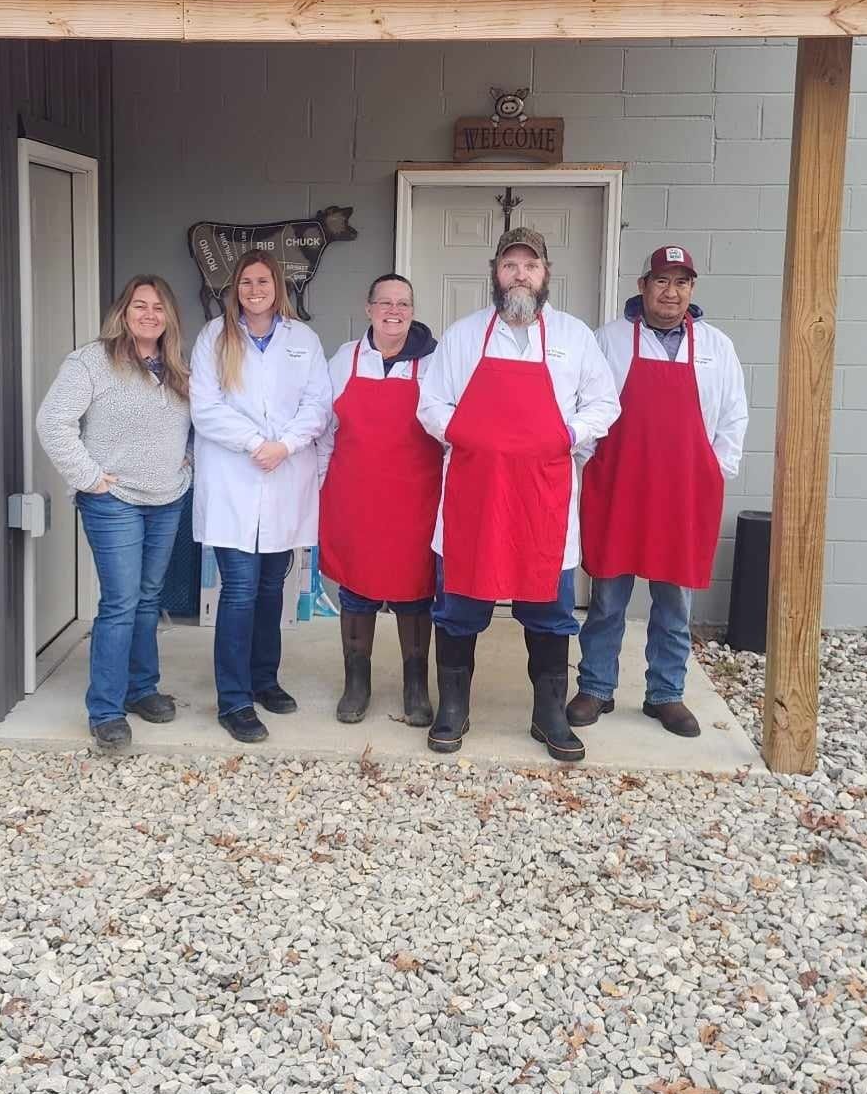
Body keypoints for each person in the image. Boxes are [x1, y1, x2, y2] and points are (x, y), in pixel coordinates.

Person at [418, 228, 620, 763]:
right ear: (495, 272)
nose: (520, 274)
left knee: (550, 611)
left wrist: (566, 436)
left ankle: (548, 712)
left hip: (545, 500)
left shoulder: (575, 338)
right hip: (474, 496)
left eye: (530, 265)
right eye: (511, 265)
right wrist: (465, 433)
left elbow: (605, 404)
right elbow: (430, 404)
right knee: (459, 606)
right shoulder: (463, 336)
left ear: (546, 273)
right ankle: (454, 707)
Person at [573, 245, 748, 737]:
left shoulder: (716, 346)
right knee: (608, 596)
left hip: (685, 490)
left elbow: (734, 413)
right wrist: (590, 467)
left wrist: (715, 470)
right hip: (620, 486)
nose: (671, 292)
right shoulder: (608, 340)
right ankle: (595, 687)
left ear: (691, 289)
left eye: (682, 282)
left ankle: (666, 693)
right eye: (662, 281)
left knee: (675, 602)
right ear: (642, 285)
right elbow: (584, 403)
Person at [35, 275, 192, 754]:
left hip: (167, 497)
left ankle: (141, 688)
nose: (149, 315)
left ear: (169, 318)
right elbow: (53, 421)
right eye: (139, 305)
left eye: (159, 307)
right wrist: (89, 477)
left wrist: (187, 462)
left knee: (148, 597)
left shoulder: (177, 368)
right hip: (113, 502)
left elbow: (194, 426)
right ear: (123, 312)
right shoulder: (92, 362)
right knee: (121, 601)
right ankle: (105, 709)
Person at [190, 249, 331, 744]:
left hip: (285, 476)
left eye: (263, 281)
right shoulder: (214, 337)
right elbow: (205, 409)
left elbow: (319, 405)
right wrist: (256, 445)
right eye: (246, 282)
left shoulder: (303, 339)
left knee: (274, 587)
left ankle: (264, 680)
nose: (255, 290)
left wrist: (286, 445)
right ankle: (234, 700)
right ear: (235, 289)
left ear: (278, 287)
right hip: (235, 477)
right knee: (241, 590)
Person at [318, 274, 442, 726]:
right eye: (385, 302)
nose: (395, 311)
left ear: (413, 309)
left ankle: (415, 686)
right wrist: (318, 486)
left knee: (415, 593)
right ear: (368, 308)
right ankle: (357, 683)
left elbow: (449, 430)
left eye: (404, 303)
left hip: (416, 498)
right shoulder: (344, 359)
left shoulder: (434, 362)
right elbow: (322, 428)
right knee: (356, 590)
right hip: (355, 496)